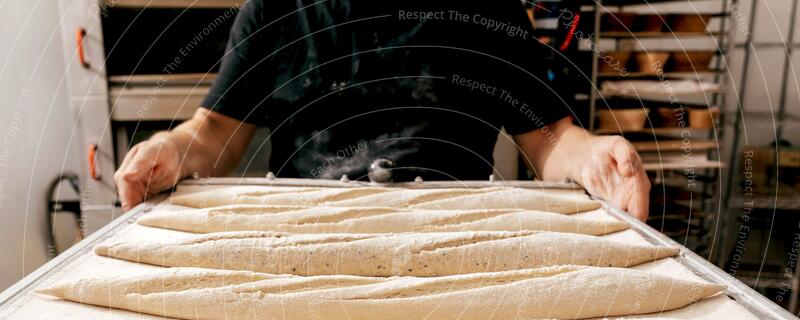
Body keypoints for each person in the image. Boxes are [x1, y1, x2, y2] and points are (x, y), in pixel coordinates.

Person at [114, 0, 649, 220]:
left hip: (455, 233)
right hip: (306, 232)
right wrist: (172, 148)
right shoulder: (278, 8)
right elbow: (214, 133)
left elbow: (549, 136)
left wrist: (592, 156)